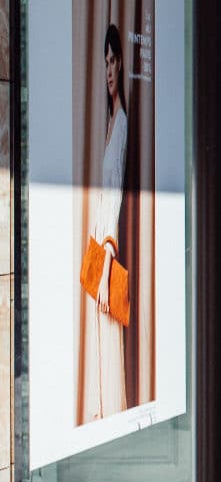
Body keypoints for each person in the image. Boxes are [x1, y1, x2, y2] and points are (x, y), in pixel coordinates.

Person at [80, 22, 132, 424]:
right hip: (98, 237)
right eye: (106, 62)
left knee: (107, 328)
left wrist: (106, 266)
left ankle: (112, 416)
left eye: (114, 60)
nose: (110, 69)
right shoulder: (110, 122)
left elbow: (114, 195)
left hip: (106, 241)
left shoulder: (123, 124)